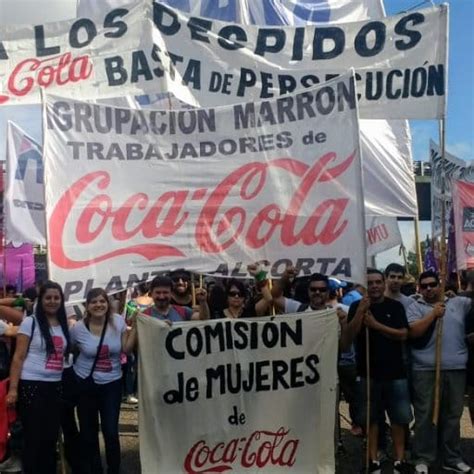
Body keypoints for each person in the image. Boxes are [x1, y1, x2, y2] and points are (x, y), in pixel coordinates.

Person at [345, 269, 411, 474]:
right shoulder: (357, 305)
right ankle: (373, 460)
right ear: (365, 286)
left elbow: (402, 334)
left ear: (384, 284)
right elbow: (348, 337)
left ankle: (400, 459)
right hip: (367, 373)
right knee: (371, 419)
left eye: (377, 282)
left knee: (399, 418)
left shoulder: (396, 306)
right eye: (370, 283)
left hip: (395, 372)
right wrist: (359, 314)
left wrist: (376, 325)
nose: (374, 286)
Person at [407, 271, 472, 474]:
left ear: (440, 284)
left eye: (432, 284)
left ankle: (451, 458)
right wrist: (433, 314)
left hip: (456, 368)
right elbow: (413, 332)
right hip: (424, 369)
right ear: (419, 287)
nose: (429, 289)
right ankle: (423, 458)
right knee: (425, 415)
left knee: (452, 416)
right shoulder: (414, 306)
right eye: (424, 286)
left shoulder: (459, 303)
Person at [6, 281, 70, 474]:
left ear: (61, 300)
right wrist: (13, 389)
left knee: (50, 438)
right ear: (40, 300)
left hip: (55, 386)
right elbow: (18, 357)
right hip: (32, 386)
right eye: (48, 297)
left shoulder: (63, 324)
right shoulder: (30, 322)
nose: (52, 301)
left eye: (56, 298)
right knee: (34, 438)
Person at [71, 288, 137, 474]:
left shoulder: (117, 321)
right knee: (88, 432)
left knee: (110, 431)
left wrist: (137, 328)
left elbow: (126, 349)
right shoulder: (77, 328)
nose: (98, 305)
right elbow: (70, 349)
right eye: (94, 302)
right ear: (87, 306)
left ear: (107, 304)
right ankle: (94, 469)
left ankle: (114, 469)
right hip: (85, 384)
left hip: (112, 384)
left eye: (102, 301)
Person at [142, 275, 209, 322]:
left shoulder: (183, 311)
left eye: (165, 292)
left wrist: (203, 302)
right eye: (158, 293)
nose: (161, 296)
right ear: (152, 293)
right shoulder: (145, 316)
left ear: (171, 293)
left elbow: (203, 319)